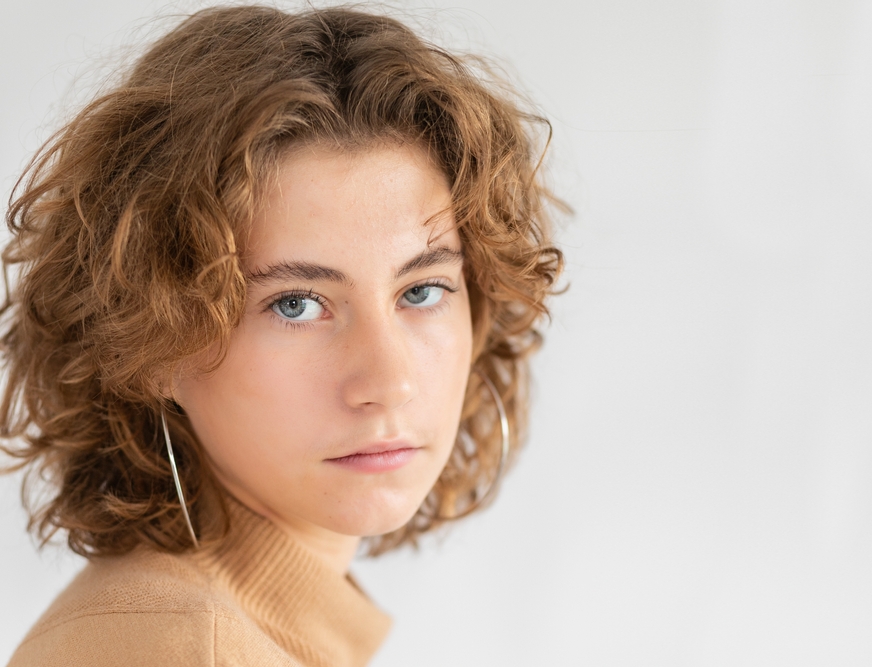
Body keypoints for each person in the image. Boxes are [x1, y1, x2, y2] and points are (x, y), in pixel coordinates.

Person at [0, 5, 562, 666]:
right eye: (296, 303)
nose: (390, 382)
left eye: (421, 290)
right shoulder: (182, 648)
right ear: (148, 341)